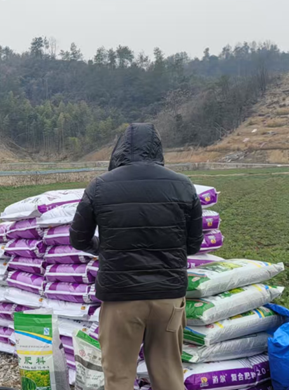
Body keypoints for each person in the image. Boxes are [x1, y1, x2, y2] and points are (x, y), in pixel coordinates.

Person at [70, 123, 203, 390]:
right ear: (157, 148)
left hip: (121, 298)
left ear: (119, 150)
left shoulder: (99, 187)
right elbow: (193, 245)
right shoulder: (183, 185)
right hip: (169, 298)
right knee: (169, 375)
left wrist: (104, 248)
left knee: (118, 377)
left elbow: (78, 239)